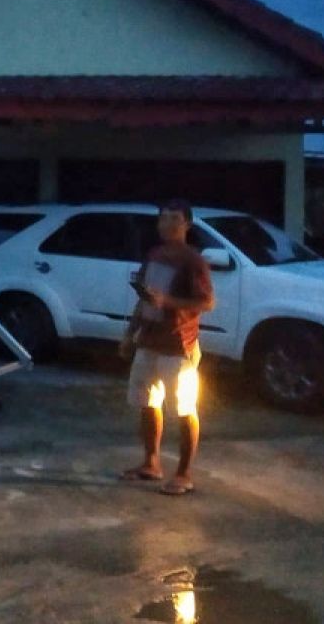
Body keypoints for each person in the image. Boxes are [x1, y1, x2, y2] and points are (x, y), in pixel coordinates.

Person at [119, 199, 214, 496]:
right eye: (163, 219)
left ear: (187, 224)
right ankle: (151, 464)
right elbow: (144, 298)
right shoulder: (155, 254)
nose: (168, 224)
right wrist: (130, 334)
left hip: (178, 345)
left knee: (185, 408)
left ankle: (184, 474)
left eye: (175, 219)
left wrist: (168, 303)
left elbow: (206, 302)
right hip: (149, 341)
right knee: (147, 402)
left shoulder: (193, 261)